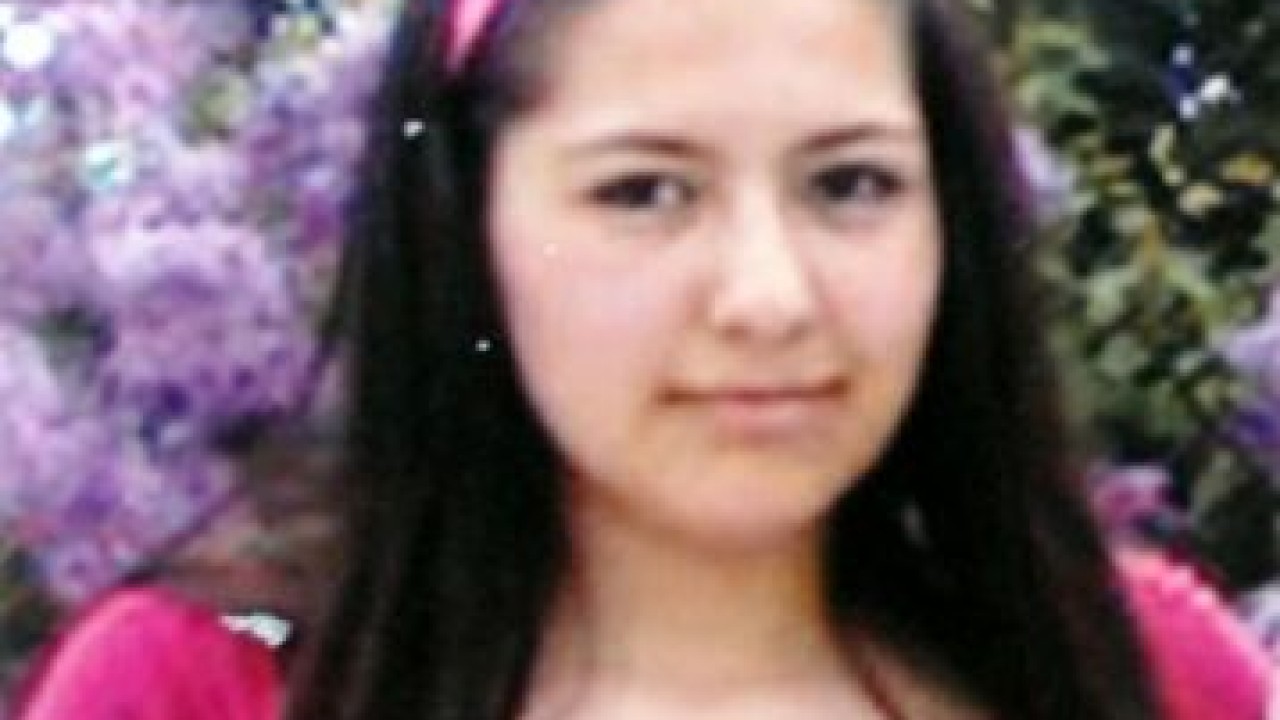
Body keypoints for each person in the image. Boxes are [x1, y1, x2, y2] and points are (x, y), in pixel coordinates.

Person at [12, 0, 1273, 718]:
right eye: (643, 192)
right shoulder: (204, 689)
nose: (767, 298)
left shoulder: (1141, 671)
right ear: (465, 227)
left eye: (849, 183)